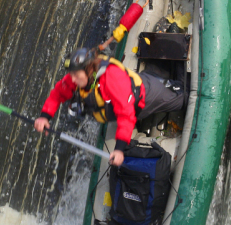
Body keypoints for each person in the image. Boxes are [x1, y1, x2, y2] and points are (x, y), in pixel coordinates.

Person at [34, 47, 185, 167]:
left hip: (146, 96)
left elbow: (126, 115)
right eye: (71, 74)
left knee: (180, 99)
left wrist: (119, 149)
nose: (72, 79)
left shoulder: (112, 78)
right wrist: (45, 116)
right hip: (124, 99)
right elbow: (58, 93)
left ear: (89, 71)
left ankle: (180, 69)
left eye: (76, 76)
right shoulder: (77, 76)